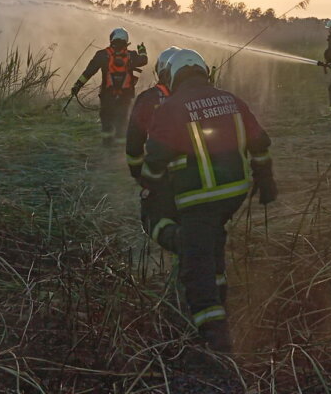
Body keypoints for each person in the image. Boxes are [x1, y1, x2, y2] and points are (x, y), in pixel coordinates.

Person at [141, 49, 276, 353]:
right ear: (204, 71)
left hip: (197, 198)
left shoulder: (171, 107)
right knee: (211, 245)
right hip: (234, 195)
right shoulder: (232, 100)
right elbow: (260, 143)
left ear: (172, 76)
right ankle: (219, 295)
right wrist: (266, 181)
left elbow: (156, 158)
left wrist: (149, 187)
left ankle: (213, 334)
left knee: (195, 266)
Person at [125, 46, 181, 253]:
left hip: (163, 176)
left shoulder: (149, 99)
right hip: (201, 176)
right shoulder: (196, 99)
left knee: (153, 218)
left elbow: (133, 144)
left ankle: (182, 248)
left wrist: (140, 175)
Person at [71, 28, 148, 146]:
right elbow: (144, 60)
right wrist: (142, 50)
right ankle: (120, 149)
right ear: (126, 40)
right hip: (125, 96)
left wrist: (77, 85)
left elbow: (89, 72)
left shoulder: (102, 55)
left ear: (112, 38)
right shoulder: (131, 55)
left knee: (107, 121)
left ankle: (107, 147)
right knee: (122, 121)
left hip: (107, 95)